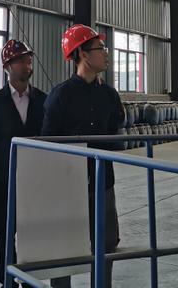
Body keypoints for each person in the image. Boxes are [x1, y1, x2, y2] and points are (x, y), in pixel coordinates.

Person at [42, 24, 124, 288]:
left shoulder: (109, 96)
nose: (106, 53)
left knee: (106, 244)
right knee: (63, 247)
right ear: (84, 54)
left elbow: (115, 133)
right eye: (101, 48)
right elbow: (48, 142)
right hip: (68, 185)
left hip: (103, 183)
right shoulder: (61, 96)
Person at [0, 39, 46, 288]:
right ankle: (7, 281)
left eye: (28, 59)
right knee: (5, 236)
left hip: (35, 183)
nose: (26, 64)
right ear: (7, 66)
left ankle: (31, 281)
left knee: (33, 236)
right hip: (6, 182)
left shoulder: (43, 100)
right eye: (19, 60)